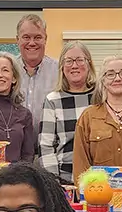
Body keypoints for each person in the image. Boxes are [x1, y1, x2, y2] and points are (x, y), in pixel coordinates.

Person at [0, 14, 59, 132]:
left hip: (49, 147)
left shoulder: (59, 71)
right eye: (26, 37)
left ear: (45, 39)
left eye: (37, 37)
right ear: (17, 40)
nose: (32, 43)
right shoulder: (6, 69)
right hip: (12, 147)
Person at [37, 41, 97, 185]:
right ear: (62, 67)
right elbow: (45, 147)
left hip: (99, 178)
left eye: (79, 60)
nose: (74, 66)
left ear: (89, 64)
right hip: (65, 180)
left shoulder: (101, 97)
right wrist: (54, 183)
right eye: (68, 61)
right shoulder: (53, 100)